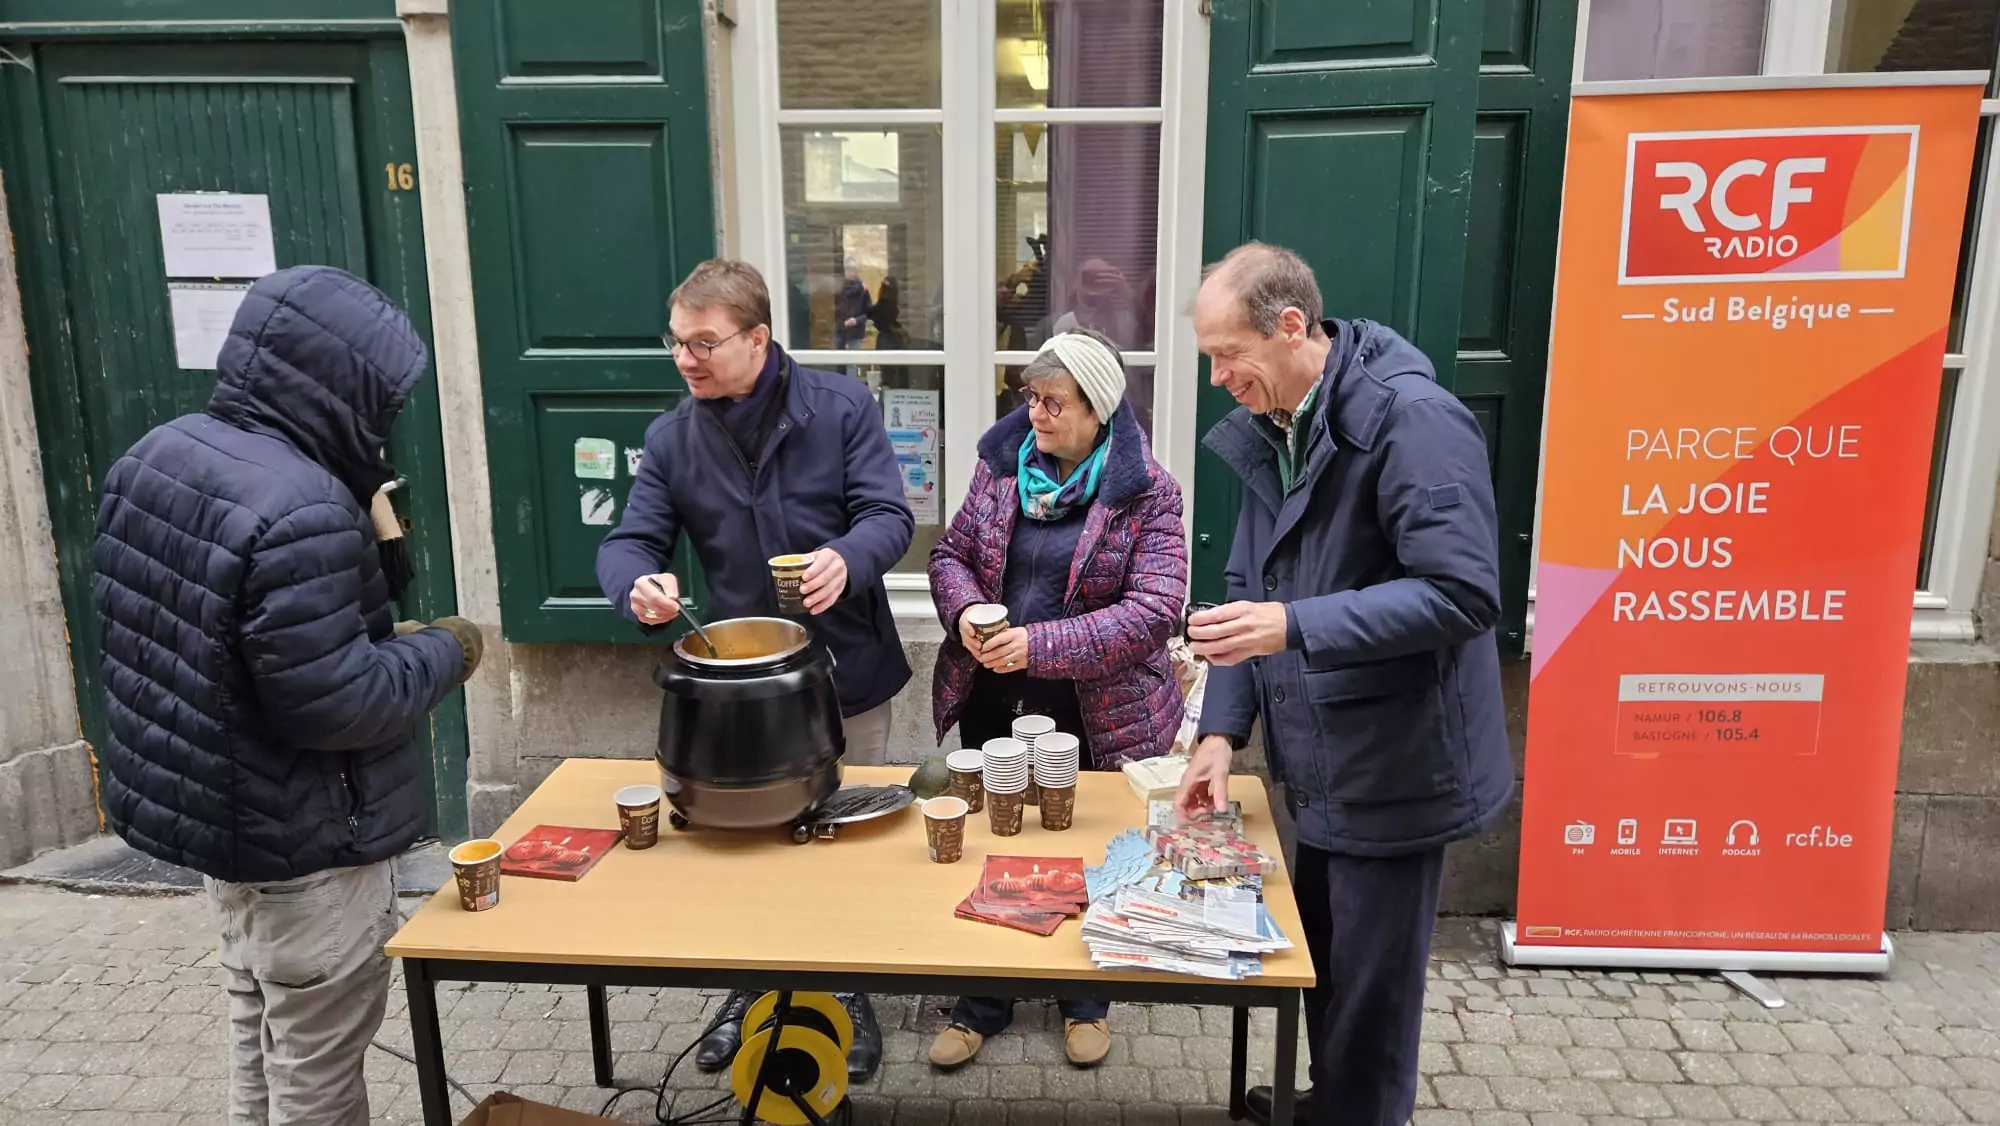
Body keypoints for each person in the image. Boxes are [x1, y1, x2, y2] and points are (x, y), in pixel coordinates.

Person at [91, 265, 483, 1125]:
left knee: (259, 1034)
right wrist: (445, 653)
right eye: (383, 400)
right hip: (308, 849)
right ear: (340, 385)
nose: (387, 421)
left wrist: (372, 540)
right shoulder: (300, 507)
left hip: (228, 834)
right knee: (318, 1071)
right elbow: (338, 702)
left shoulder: (156, 456)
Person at [1176, 243, 1512, 1126]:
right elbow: (1250, 587)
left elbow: (1464, 591)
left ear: (1291, 327)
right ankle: (1335, 1103)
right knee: (1326, 963)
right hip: (1322, 757)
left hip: (1398, 765)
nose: (1218, 378)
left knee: (1372, 1003)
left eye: (1226, 355)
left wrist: (1296, 626)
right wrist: (1221, 731)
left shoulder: (1416, 422)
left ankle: (1360, 1111)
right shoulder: (1278, 422)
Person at [595, 257, 913, 1083]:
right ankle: (747, 988)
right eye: (677, 342)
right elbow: (630, 541)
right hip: (736, 687)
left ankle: (848, 991)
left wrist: (848, 558)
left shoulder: (842, 408)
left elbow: (889, 513)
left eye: (703, 342)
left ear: (758, 338)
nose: (685, 359)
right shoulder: (673, 436)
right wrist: (638, 584)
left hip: (849, 667)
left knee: (844, 840)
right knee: (751, 848)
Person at [926, 327, 1187, 1070]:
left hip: (1095, 712)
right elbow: (950, 557)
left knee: (1082, 849)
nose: (1037, 414)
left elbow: (1155, 610)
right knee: (997, 841)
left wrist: (1039, 645)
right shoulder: (1002, 473)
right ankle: (984, 998)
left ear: (1098, 408)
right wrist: (967, 613)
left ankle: (1083, 997)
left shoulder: (1147, 493)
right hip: (994, 696)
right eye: (1030, 398)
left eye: (1054, 402)